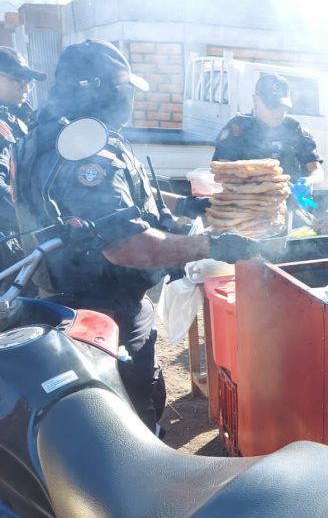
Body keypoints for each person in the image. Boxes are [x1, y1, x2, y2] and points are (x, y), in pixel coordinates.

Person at [14, 39, 263, 434]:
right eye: (125, 88)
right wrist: (212, 245)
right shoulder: (85, 153)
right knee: (130, 422)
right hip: (104, 311)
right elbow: (125, 245)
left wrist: (181, 206)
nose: (130, 98)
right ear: (98, 89)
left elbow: (115, 202)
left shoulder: (48, 135)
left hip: (65, 301)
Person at [213, 73, 323, 186]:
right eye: (272, 106)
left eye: (282, 106)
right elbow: (221, 171)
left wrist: (309, 182)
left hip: (288, 199)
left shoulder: (296, 129)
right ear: (255, 100)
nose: (277, 112)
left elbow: (316, 170)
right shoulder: (238, 128)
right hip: (244, 200)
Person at [0, 47, 46, 289]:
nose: (26, 86)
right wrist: (41, 222)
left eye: (28, 80)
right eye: (18, 79)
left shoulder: (18, 116)